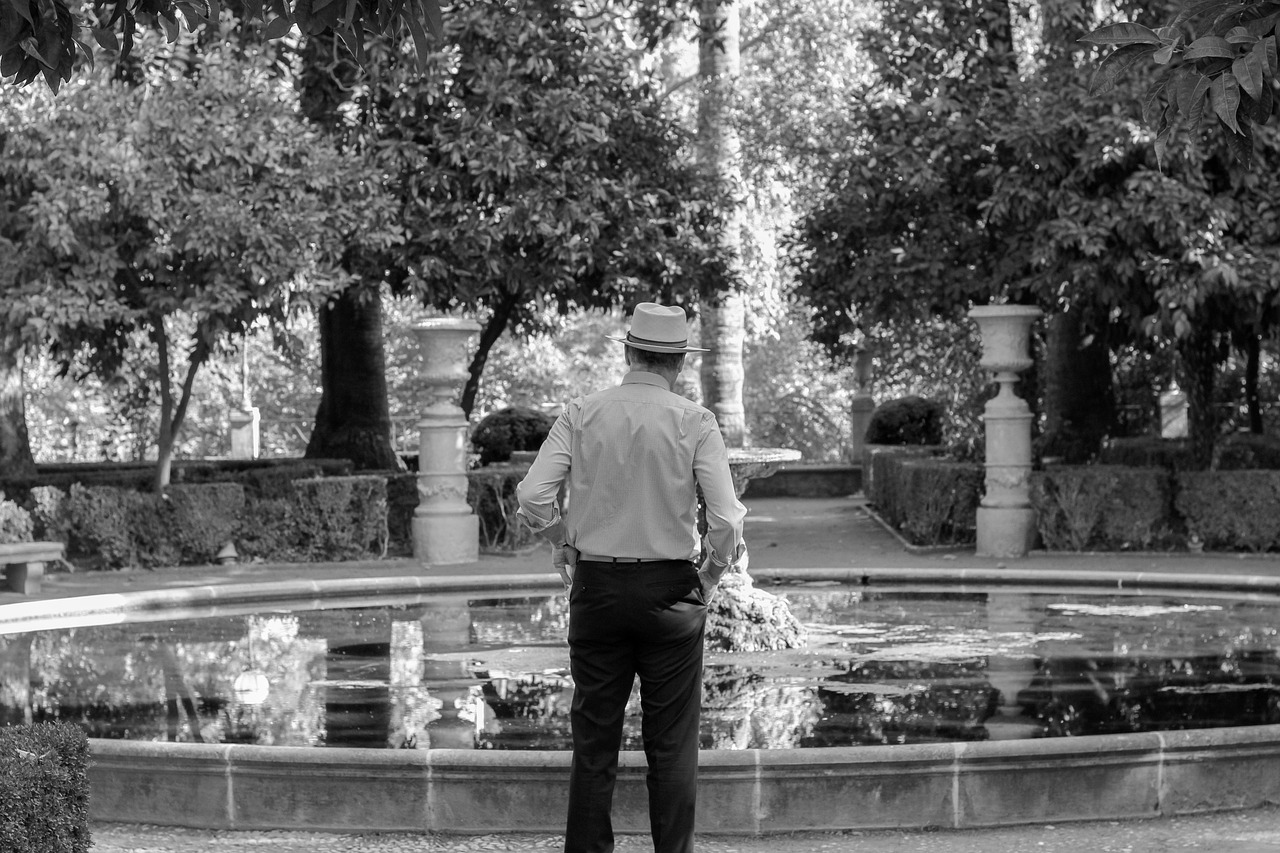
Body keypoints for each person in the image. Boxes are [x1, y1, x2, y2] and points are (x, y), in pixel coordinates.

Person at [515, 302, 747, 853]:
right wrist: (711, 574)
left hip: (596, 588)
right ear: (680, 363)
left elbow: (532, 495)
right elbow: (726, 520)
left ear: (628, 353)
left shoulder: (581, 412)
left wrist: (560, 540)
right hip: (672, 592)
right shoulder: (696, 421)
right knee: (673, 748)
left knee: (594, 742)